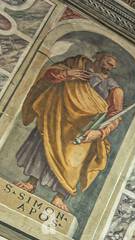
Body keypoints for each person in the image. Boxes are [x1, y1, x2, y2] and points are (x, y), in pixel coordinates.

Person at [15, 50, 126, 213]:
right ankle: (31, 182)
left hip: (82, 129)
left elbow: (115, 115)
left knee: (74, 162)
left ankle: (60, 196)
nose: (111, 67)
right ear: (98, 57)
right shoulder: (76, 63)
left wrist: (100, 133)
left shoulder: (115, 90)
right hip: (58, 116)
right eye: (109, 62)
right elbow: (47, 75)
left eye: (113, 66)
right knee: (43, 147)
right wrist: (66, 74)